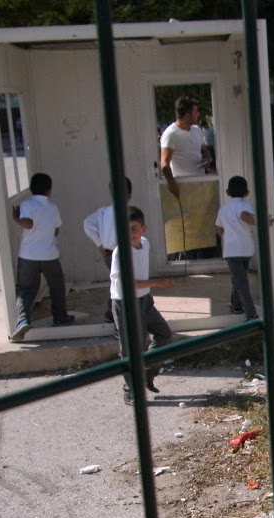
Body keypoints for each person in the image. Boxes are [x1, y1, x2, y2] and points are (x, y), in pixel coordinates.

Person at [111, 206, 174, 405]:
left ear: (143, 229)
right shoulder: (121, 252)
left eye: (134, 228)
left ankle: (146, 374)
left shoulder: (144, 244)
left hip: (145, 299)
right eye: (125, 228)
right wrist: (157, 283)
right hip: (126, 302)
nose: (130, 233)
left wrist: (151, 288)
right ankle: (130, 387)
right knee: (131, 347)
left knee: (164, 334)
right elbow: (129, 283)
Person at [10, 173, 73, 342]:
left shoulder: (27, 204)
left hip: (28, 255)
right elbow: (57, 230)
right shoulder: (53, 208)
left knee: (25, 290)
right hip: (49, 255)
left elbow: (28, 223)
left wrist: (16, 217)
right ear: (49, 190)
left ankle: (23, 320)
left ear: (31, 189)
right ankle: (60, 317)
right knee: (57, 286)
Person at [216, 176, 272, 321]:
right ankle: (243, 310)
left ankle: (244, 311)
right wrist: (263, 221)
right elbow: (245, 216)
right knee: (240, 280)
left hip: (231, 250)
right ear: (246, 192)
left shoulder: (223, 209)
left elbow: (219, 229)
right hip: (246, 249)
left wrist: (227, 234)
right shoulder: (244, 204)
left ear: (228, 192)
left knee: (239, 281)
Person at [83, 177, 132, 324]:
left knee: (117, 283)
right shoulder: (130, 213)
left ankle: (114, 314)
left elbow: (87, 223)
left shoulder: (103, 212)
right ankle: (112, 314)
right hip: (121, 253)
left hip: (109, 253)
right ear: (130, 195)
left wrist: (99, 243)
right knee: (121, 284)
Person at [159, 96, 212, 200]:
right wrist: (172, 183)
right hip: (182, 187)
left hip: (200, 184)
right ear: (188, 116)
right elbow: (164, 163)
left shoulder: (197, 130)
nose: (198, 114)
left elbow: (204, 151)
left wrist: (207, 159)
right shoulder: (171, 134)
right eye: (195, 111)